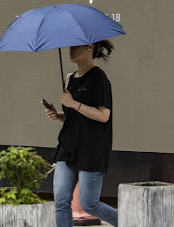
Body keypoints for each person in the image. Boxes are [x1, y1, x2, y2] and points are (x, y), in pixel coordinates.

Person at [45, 40, 118, 227]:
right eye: (69, 46)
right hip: (68, 146)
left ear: (89, 48)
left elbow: (103, 115)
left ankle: (133, 222)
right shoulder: (69, 78)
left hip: (91, 148)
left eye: (75, 46)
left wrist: (73, 104)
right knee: (61, 200)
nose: (70, 49)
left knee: (90, 204)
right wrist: (59, 115)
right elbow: (74, 117)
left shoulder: (99, 78)